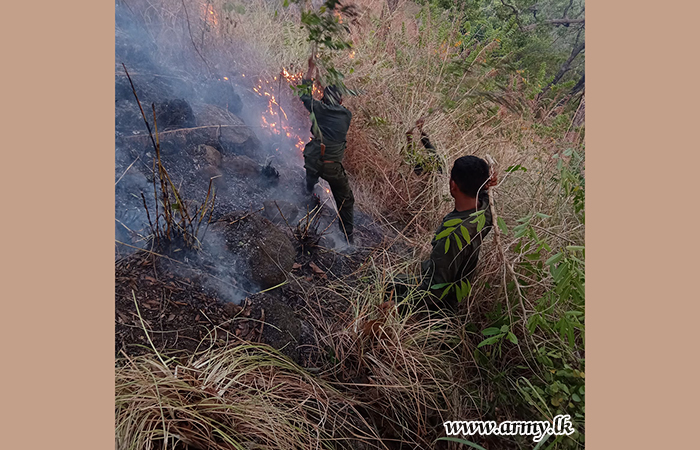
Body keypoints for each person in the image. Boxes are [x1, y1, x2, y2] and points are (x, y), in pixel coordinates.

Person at [416, 155, 496, 311]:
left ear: (453, 185)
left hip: (440, 305)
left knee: (386, 283)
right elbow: (486, 195)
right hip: (457, 288)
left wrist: (398, 306)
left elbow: (434, 290)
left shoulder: (452, 235)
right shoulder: (486, 212)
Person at [300, 56, 355, 243]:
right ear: (340, 100)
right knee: (346, 201)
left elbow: (304, 95)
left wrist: (311, 69)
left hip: (313, 160)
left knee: (310, 178)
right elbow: (335, 104)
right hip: (332, 168)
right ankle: (348, 239)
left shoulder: (318, 109)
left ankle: (307, 190)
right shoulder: (346, 115)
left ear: (323, 98)